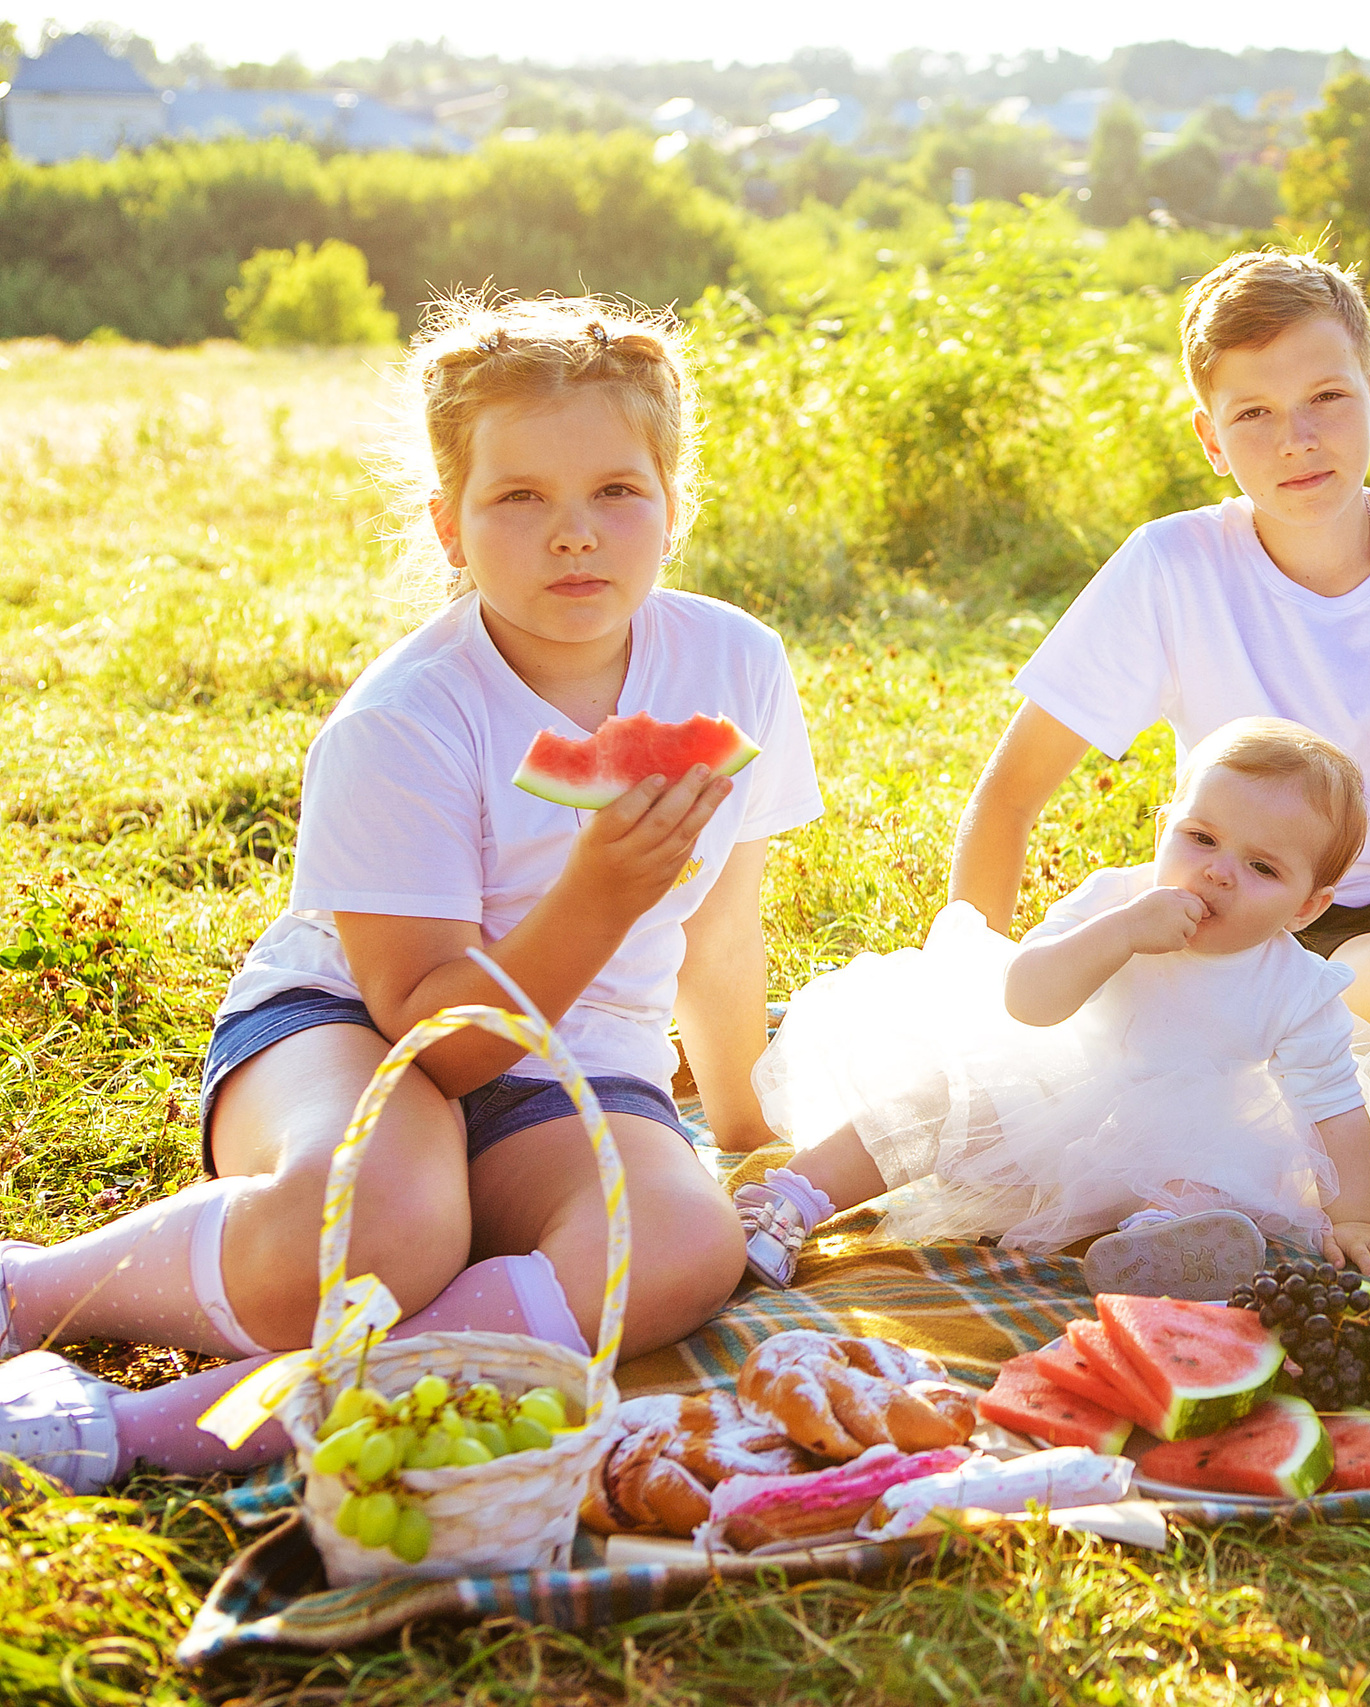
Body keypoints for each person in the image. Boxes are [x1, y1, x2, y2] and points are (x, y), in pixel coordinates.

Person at [0, 295, 822, 1493]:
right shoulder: (406, 718)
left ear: (675, 506)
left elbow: (721, 928)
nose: (574, 536)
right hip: (347, 1032)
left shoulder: (736, 663)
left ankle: (149, 1431)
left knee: (685, 1244)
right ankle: (30, 1288)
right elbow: (430, 1042)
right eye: (519, 499)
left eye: (615, 492)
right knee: (382, 1231)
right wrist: (596, 890)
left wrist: (742, 1139)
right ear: (449, 526)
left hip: (578, 1070)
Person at [943, 248, 1370, 1139]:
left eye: (1327, 399)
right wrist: (965, 1012)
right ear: (1210, 438)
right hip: (1293, 929)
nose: (1296, 438)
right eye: (1255, 414)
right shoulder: (1172, 565)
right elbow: (1008, 796)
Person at [741, 718, 1370, 1297]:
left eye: (1263, 867)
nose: (1217, 871)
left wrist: (1353, 1215)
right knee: (932, 1096)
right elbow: (1027, 999)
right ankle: (796, 1197)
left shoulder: (1295, 986)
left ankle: (1157, 1250)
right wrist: (1119, 935)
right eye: (1201, 837)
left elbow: (1334, 1103)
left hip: (1189, 1133)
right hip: (1049, 1089)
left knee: (1206, 1183)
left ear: (1307, 906)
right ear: (1165, 825)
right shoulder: (1113, 901)